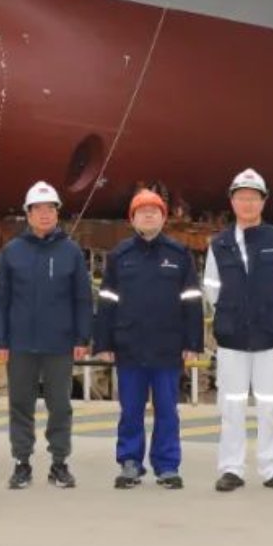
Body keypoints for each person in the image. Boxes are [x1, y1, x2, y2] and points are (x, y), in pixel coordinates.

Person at [93, 189, 204, 489]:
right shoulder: (120, 256)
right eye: (142, 212)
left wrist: (193, 343)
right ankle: (130, 462)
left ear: (164, 217)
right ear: (133, 219)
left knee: (167, 410)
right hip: (130, 346)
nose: (149, 215)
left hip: (168, 347)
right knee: (130, 409)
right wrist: (103, 343)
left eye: (154, 211)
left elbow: (192, 300)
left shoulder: (179, 255)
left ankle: (167, 466)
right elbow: (107, 301)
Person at [203, 168, 273, 494]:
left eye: (253, 197)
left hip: (271, 337)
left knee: (272, 405)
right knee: (231, 405)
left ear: (263, 201)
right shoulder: (219, 244)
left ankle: (272, 467)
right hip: (233, 337)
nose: (247, 203)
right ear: (232, 202)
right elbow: (212, 289)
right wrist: (233, 315)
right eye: (241, 197)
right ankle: (231, 468)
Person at [0, 180, 94, 490]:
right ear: (28, 214)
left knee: (60, 406)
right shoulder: (12, 252)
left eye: (50, 208)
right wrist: (1, 340)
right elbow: (1, 301)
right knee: (20, 404)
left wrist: (82, 338)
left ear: (57, 213)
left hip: (59, 343)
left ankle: (59, 463)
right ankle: (21, 462)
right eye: (38, 209)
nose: (45, 214)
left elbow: (82, 298)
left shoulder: (70, 252)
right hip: (21, 343)